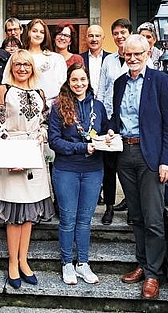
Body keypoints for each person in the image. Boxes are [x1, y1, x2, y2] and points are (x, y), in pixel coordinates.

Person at [112, 35, 168, 300]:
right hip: (124, 154)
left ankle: (153, 274)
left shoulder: (160, 81)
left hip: (150, 155)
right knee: (136, 216)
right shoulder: (119, 83)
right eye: (128, 54)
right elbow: (117, 118)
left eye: (137, 54)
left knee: (153, 218)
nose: (132, 58)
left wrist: (167, 160)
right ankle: (142, 263)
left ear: (148, 53)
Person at [0, 50, 54, 289]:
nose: (22, 68)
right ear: (11, 66)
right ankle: (12, 263)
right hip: (11, 153)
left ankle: (23, 260)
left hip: (33, 155)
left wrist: (40, 137)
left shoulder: (40, 93)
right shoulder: (3, 90)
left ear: (32, 68)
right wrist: (7, 157)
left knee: (28, 214)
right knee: (14, 215)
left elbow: (46, 123)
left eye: (26, 64)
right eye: (17, 64)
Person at [49, 63, 111, 285]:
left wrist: (109, 136)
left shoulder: (98, 106)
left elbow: (104, 132)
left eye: (83, 79)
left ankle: (83, 264)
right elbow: (54, 141)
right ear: (68, 81)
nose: (79, 84)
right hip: (67, 169)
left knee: (85, 220)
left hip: (93, 170)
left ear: (88, 81)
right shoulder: (58, 107)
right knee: (67, 219)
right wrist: (81, 148)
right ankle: (67, 264)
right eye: (74, 80)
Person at [97, 18, 133, 224]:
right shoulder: (108, 60)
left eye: (123, 33)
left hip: (129, 120)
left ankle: (131, 205)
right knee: (109, 167)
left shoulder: (139, 58)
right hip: (109, 119)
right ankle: (109, 207)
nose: (120, 37)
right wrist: (99, 114)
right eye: (116, 33)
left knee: (127, 165)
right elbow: (101, 89)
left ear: (129, 34)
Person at [22, 18, 66, 108]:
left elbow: (62, 86)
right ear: (28, 32)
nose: (38, 35)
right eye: (34, 31)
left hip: (51, 107)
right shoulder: (19, 57)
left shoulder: (55, 58)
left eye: (42, 32)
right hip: (24, 107)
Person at [80, 24, 110, 95]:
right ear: (86, 38)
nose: (94, 39)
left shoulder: (110, 59)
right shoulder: (80, 59)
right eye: (91, 36)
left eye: (97, 36)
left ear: (103, 38)